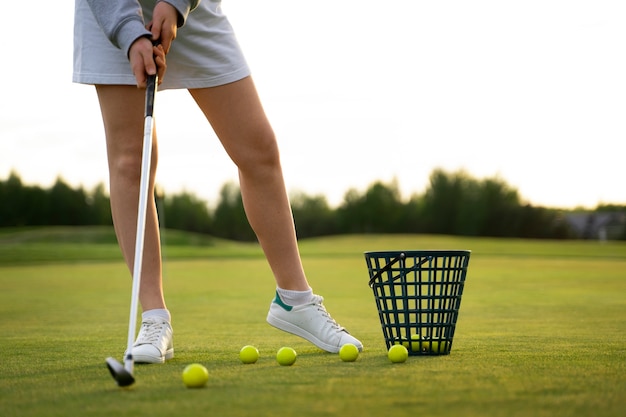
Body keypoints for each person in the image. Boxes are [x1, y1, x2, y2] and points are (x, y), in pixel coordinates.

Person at [73, 0, 362, 363]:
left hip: (192, 10)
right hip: (112, 13)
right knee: (132, 160)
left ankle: (295, 300)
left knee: (258, 148)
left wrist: (176, 5)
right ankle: (153, 318)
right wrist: (130, 33)